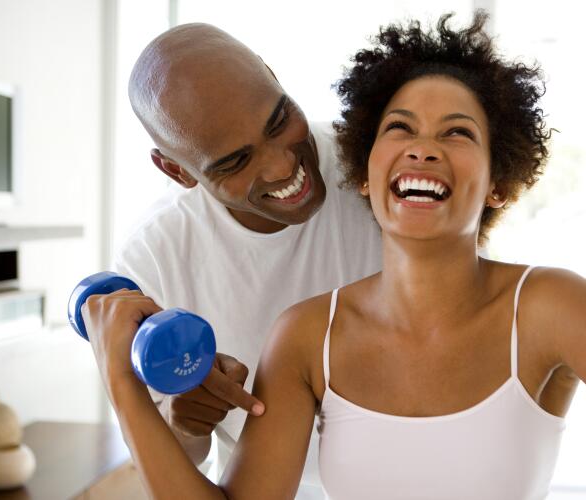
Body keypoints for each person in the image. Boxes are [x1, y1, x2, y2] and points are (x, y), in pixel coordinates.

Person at [85, 12, 586, 499]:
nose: (285, 166)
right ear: (367, 170)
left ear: (499, 181)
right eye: (400, 128)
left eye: (456, 133)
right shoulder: (299, 334)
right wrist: (129, 387)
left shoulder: (551, 307)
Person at [110, 22, 382, 495]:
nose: (282, 166)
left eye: (278, 122)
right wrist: (184, 420)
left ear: (273, 76)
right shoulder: (152, 258)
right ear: (176, 170)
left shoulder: (379, 167)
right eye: (234, 162)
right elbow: (175, 461)